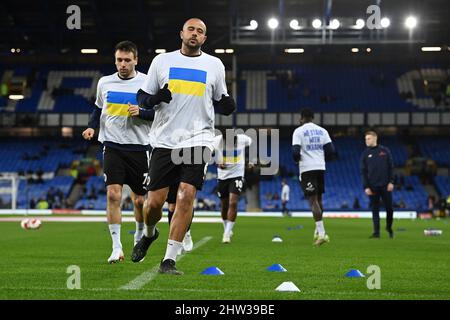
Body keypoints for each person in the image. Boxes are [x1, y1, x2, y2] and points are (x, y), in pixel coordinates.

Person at [132, 18, 235, 274]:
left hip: (199, 139)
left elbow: (221, 99)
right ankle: (149, 233)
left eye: (201, 31)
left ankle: (169, 259)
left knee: (186, 195)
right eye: (191, 29)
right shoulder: (162, 61)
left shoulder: (214, 65)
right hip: (164, 141)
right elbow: (142, 97)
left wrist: (227, 105)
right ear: (181, 33)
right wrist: (155, 98)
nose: (195, 34)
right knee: (154, 204)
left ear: (204, 38)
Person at [81, 41, 155, 264]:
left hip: (139, 148)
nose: (122, 64)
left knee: (140, 201)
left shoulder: (147, 84)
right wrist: (92, 126)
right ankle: (116, 247)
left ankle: (140, 237)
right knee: (113, 194)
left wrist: (141, 112)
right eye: (119, 60)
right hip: (112, 145)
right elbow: (97, 108)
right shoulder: (105, 82)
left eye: (127, 60)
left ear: (135, 60)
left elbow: (159, 113)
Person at [292, 108, 336, 246]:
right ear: (313, 118)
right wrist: (320, 158)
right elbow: (331, 150)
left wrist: (297, 159)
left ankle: (322, 234)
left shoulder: (299, 131)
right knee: (319, 199)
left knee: (312, 201)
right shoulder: (322, 131)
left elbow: (295, 152)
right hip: (320, 167)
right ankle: (318, 231)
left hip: (307, 168)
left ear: (301, 118)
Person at [213, 130, 252, 243]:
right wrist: (217, 163)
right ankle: (226, 228)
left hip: (237, 175)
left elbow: (252, 143)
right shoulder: (216, 141)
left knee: (233, 202)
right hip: (222, 176)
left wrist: (252, 160)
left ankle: (226, 234)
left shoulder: (242, 139)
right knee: (224, 205)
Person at [360, 131, 395, 239]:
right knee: (375, 209)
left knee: (389, 209)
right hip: (372, 187)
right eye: (366, 139)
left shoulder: (385, 151)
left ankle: (389, 227)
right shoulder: (365, 154)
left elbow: (391, 167)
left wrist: (391, 182)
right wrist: (366, 187)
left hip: (385, 185)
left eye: (369, 138)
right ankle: (376, 232)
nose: (367, 141)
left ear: (375, 138)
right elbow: (363, 172)